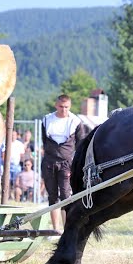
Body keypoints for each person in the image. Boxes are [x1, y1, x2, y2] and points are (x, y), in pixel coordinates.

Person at [41, 94, 89, 234]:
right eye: (61, 107)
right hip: (49, 162)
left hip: (67, 163)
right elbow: (44, 141)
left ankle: (67, 229)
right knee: (52, 196)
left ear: (70, 106)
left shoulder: (75, 121)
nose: (63, 110)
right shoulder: (47, 120)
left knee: (66, 195)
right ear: (56, 105)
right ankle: (55, 230)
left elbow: (81, 144)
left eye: (66, 107)